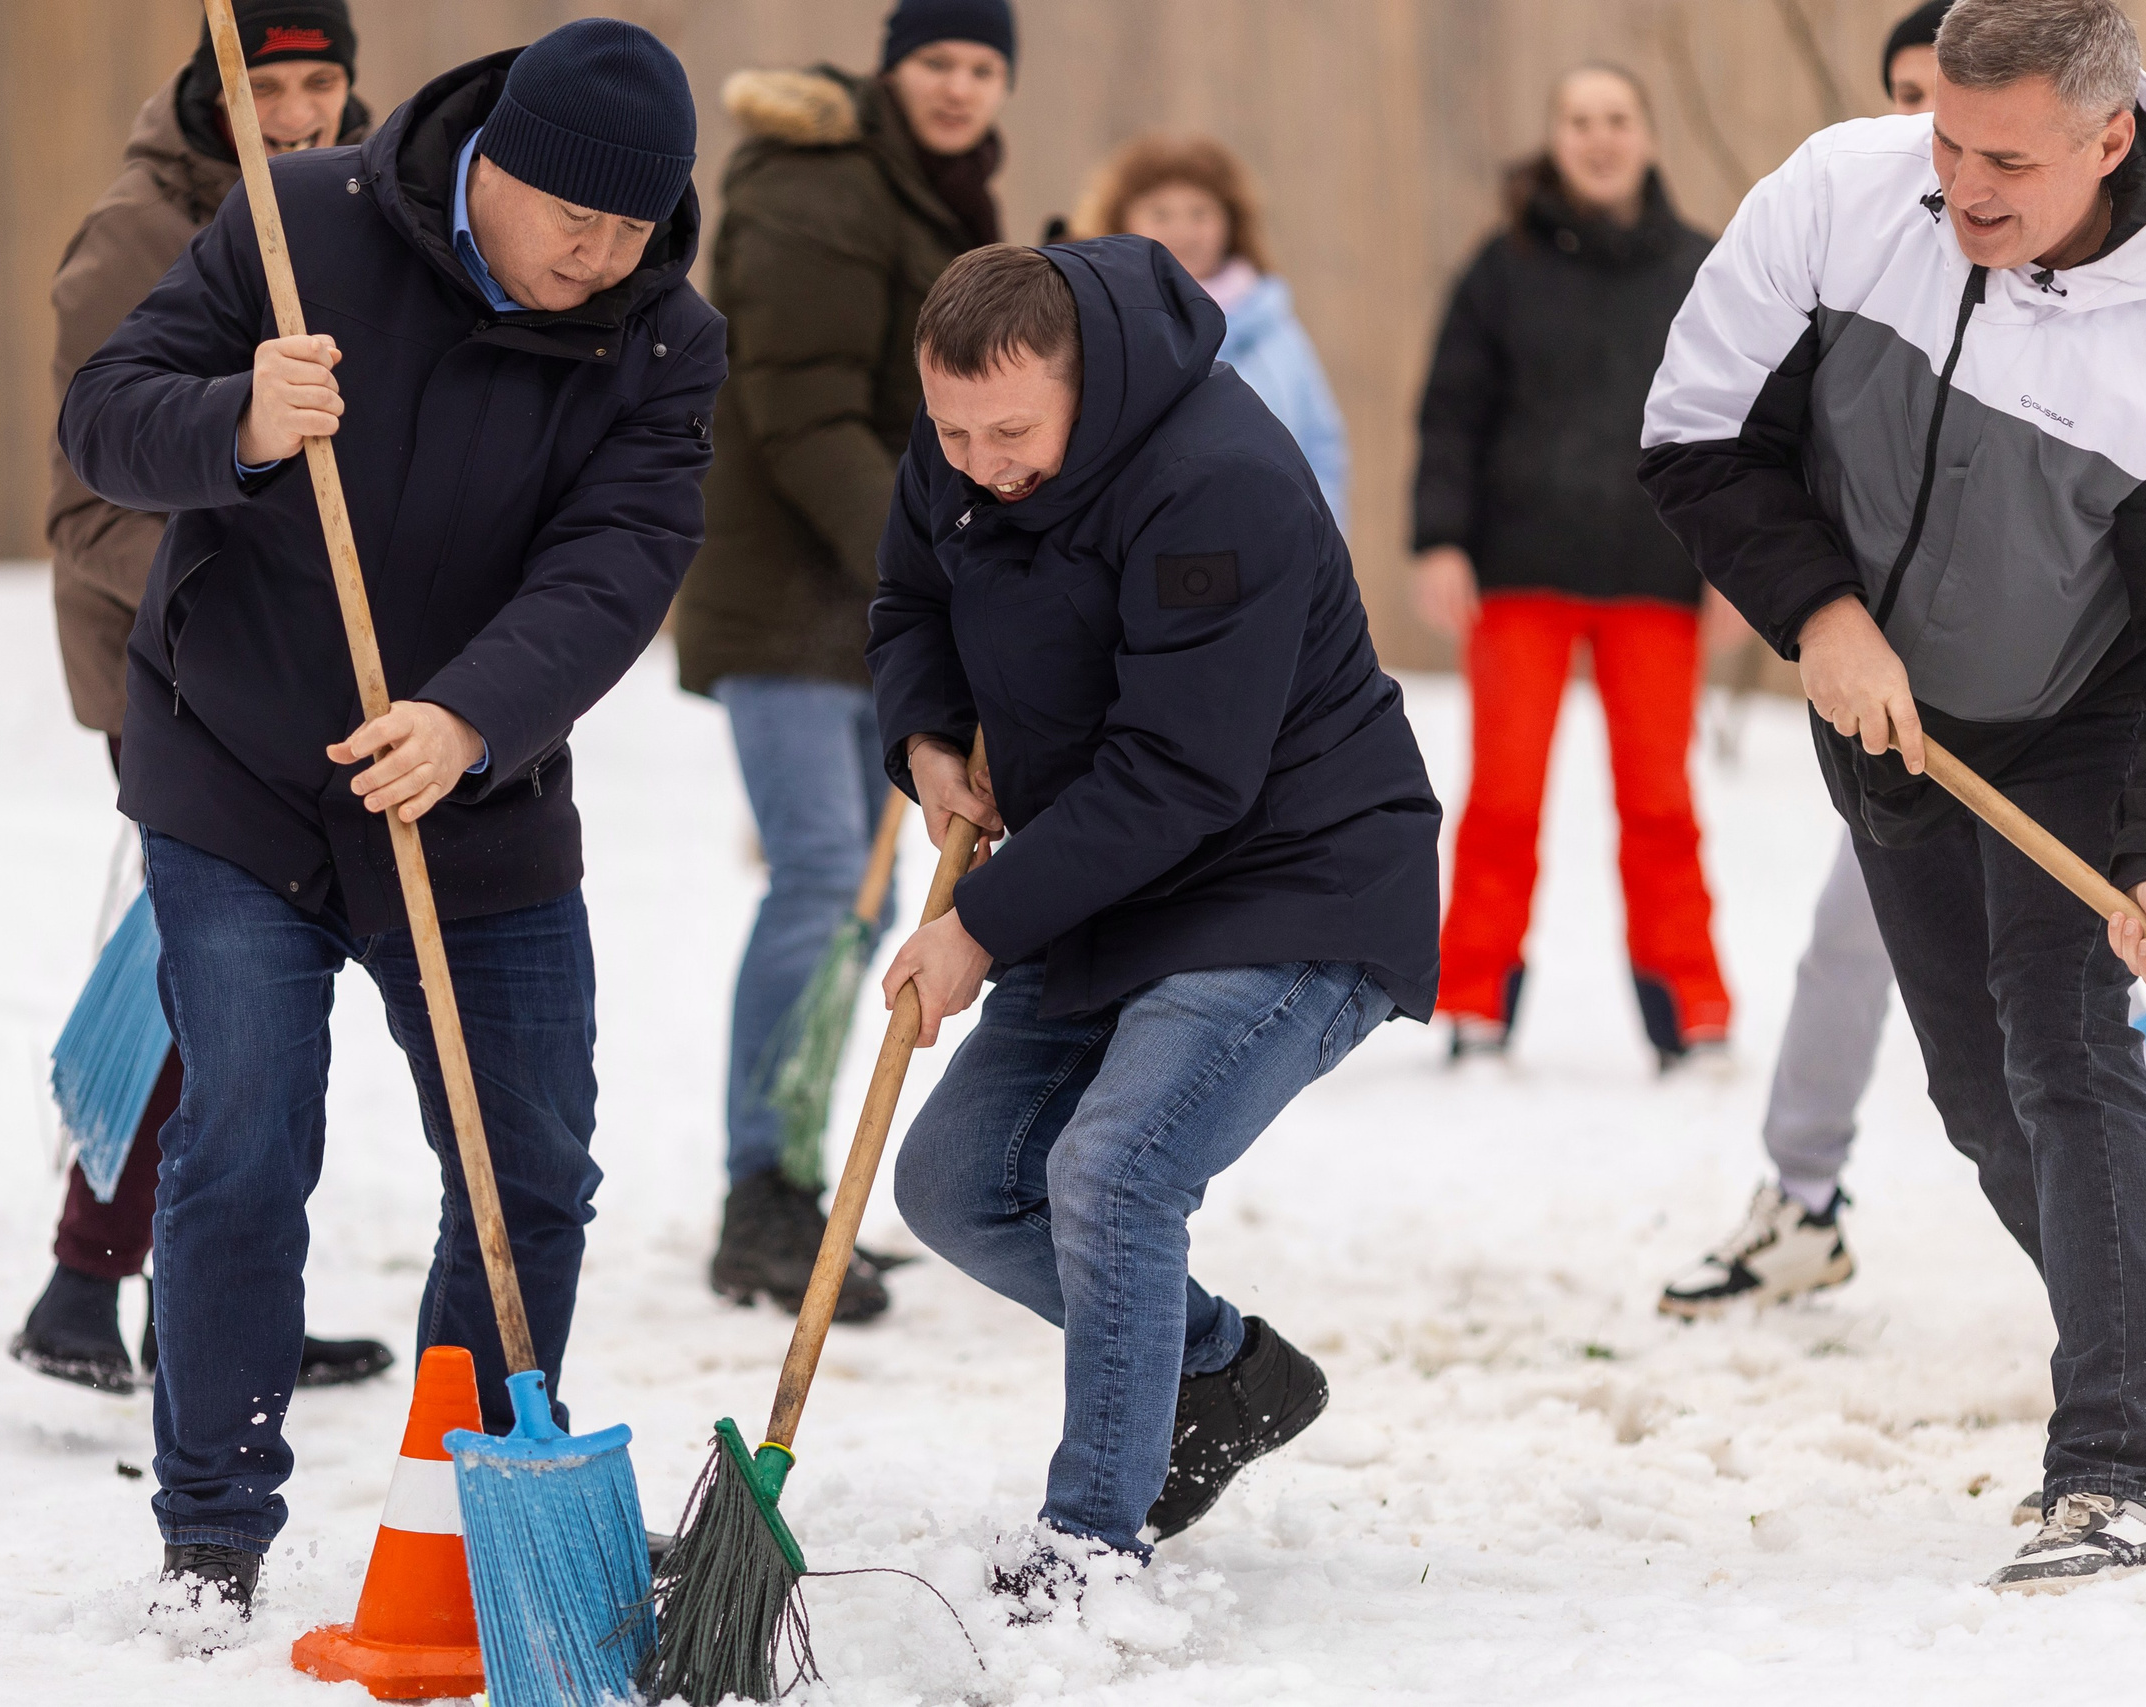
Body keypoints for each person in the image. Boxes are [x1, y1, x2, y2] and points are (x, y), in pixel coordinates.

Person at [59, 19, 726, 1612]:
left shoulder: (660, 339)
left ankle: (466, 1503)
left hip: (470, 789)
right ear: (498, 165)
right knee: (248, 1133)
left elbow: (622, 558)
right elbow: (102, 420)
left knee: (533, 1165)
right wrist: (234, 416)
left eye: (636, 227)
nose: (604, 251)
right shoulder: (301, 224)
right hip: (243, 772)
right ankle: (212, 1523)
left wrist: (476, 714)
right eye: (579, 215)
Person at [1641, 0, 2146, 1591]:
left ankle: (2117, 1461)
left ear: (2112, 136)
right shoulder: (1839, 194)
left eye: (2008, 159)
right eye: (1944, 136)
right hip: (1875, 702)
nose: (1963, 188)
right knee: (1983, 1098)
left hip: (2092, 709)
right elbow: (1693, 431)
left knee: (2067, 1054)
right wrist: (1822, 610)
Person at [870, 239, 1440, 1604]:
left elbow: (1186, 770)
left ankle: (1086, 1543)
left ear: (1088, 381)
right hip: (1105, 878)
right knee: (954, 1182)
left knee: (1114, 1173)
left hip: (1290, 879)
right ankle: (1224, 1367)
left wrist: (979, 926)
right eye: (952, 431)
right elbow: (908, 603)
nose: (977, 460)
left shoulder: (1214, 480)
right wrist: (928, 738)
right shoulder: (964, 436)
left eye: (1009, 432)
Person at [19, 0, 392, 1400]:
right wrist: (244, 576)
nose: (297, 112)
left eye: (322, 79)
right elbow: (85, 502)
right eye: (268, 85)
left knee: (232, 976)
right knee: (210, 971)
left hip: (298, 658)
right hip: (165, 650)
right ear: (211, 90)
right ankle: (100, 1275)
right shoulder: (137, 234)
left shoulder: (353, 212)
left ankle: (193, 1297)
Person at [675, 0, 1017, 1325]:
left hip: (867, 601)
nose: (960, 85)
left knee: (859, 898)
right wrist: (929, 565)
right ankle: (759, 1185)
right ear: (891, 66)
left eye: (984, 66)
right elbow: (802, 401)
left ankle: (799, 1172)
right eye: (938, 58)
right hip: (788, 596)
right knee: (822, 874)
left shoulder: (942, 198)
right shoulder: (823, 183)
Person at [1657, 1, 1954, 1321]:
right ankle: (1804, 1199)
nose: (1927, 128)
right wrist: (1812, 601)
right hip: (1901, 687)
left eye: (1950, 99)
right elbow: (1728, 447)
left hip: (2082, 700)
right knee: (1850, 938)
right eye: (1905, 94)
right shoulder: (1840, 257)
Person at [1412, 63, 1729, 1072]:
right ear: (1554, 140)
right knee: (1503, 798)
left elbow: (1743, 424)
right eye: (1579, 121)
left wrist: (1736, 564)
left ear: (1646, 135)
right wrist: (1439, 539)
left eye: (1616, 119)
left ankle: (1691, 1009)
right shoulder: (1499, 268)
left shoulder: (1702, 266)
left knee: (1660, 804)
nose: (1599, 138)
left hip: (1657, 569)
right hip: (1520, 571)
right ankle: (1472, 1000)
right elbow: (1449, 413)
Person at [1073, 131, 1350, 532]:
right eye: (1160, 213)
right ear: (1120, 219)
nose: (1183, 231)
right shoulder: (1096, 326)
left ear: (1230, 222)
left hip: (1275, 551)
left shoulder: (1276, 328)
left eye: (1200, 213)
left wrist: (1322, 547)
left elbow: (1321, 446)